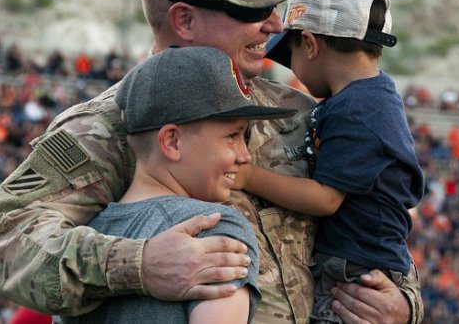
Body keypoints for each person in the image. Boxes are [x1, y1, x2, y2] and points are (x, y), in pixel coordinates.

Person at [0, 0, 422, 323]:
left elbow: (376, 224)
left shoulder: (299, 113)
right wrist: (139, 264)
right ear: (184, 19)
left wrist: (402, 303)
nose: (273, 24)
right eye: (252, 9)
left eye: (274, 6)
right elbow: (2, 244)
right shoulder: (108, 126)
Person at [235, 0, 424, 323]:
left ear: (309, 44)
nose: (292, 69)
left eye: (290, 55)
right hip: (360, 264)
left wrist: (247, 177)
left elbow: (325, 199)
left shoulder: (356, 109)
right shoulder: (370, 97)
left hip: (354, 275)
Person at [65, 46, 298, 323]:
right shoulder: (213, 228)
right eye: (232, 136)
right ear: (172, 142)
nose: (244, 155)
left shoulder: (85, 241)